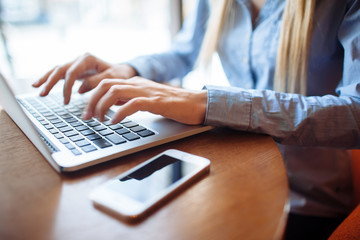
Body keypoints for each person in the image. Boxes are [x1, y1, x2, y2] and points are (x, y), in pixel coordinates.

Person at [32, 0, 360, 239]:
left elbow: (355, 113)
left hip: (307, 200)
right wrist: (127, 70)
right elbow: (184, 52)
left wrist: (208, 102)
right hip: (235, 177)